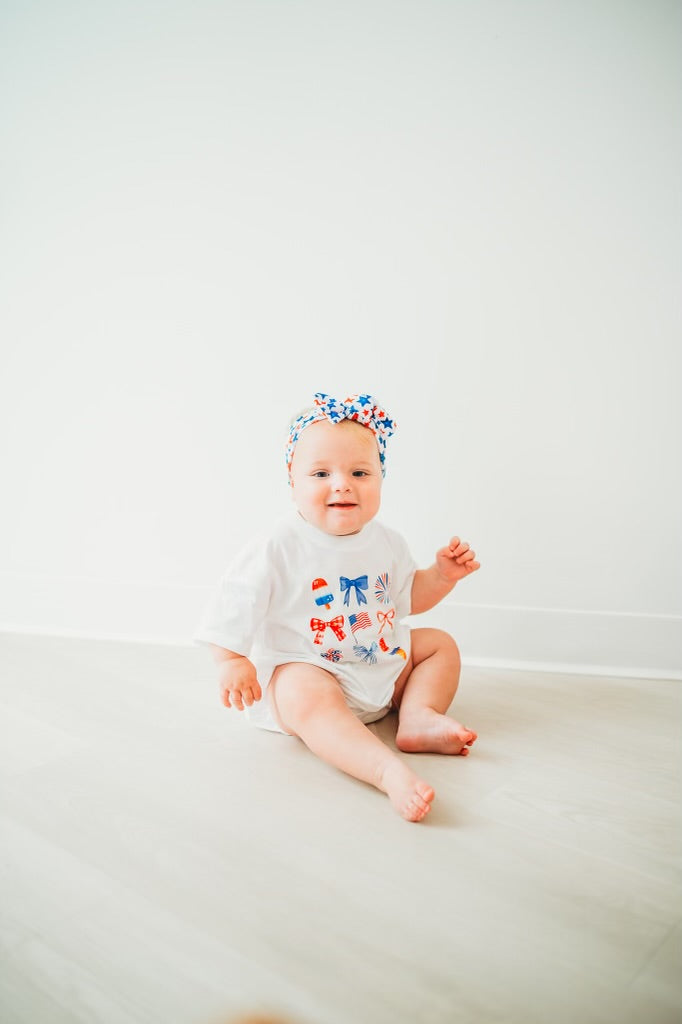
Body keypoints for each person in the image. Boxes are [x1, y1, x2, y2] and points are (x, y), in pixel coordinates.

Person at [194, 392, 480, 822]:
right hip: (313, 668)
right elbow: (233, 602)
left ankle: (418, 716)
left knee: (439, 644)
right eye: (321, 473)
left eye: (360, 472)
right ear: (293, 482)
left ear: (381, 480)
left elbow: (407, 600)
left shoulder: (387, 541)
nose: (342, 483)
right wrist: (231, 658)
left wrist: (441, 577)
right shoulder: (279, 544)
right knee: (300, 690)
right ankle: (384, 771)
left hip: (380, 662)